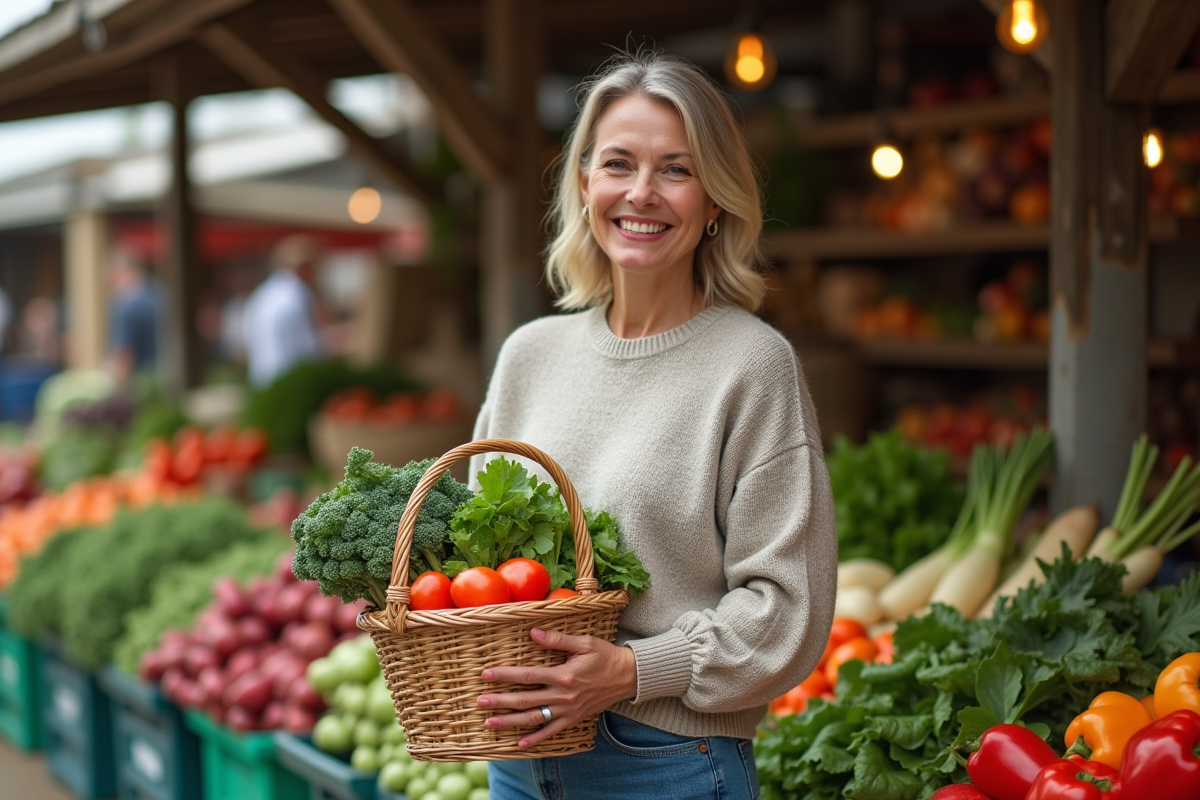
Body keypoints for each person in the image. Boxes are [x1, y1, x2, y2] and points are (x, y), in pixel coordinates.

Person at [468, 51, 838, 799]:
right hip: (515, 757)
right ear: (584, 184)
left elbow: (788, 608)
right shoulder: (529, 356)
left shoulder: (753, 365)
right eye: (618, 164)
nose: (642, 193)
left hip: (665, 763)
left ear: (715, 202)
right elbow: (464, 547)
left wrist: (635, 671)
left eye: (676, 169)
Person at [242, 234, 325, 388]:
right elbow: (309, 349)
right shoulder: (297, 294)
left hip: (261, 382)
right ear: (306, 268)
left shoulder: (263, 293)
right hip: (289, 382)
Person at [108, 249, 162, 383]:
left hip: (140, 384)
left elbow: (124, 357)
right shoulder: (161, 295)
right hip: (164, 379)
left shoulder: (126, 305)